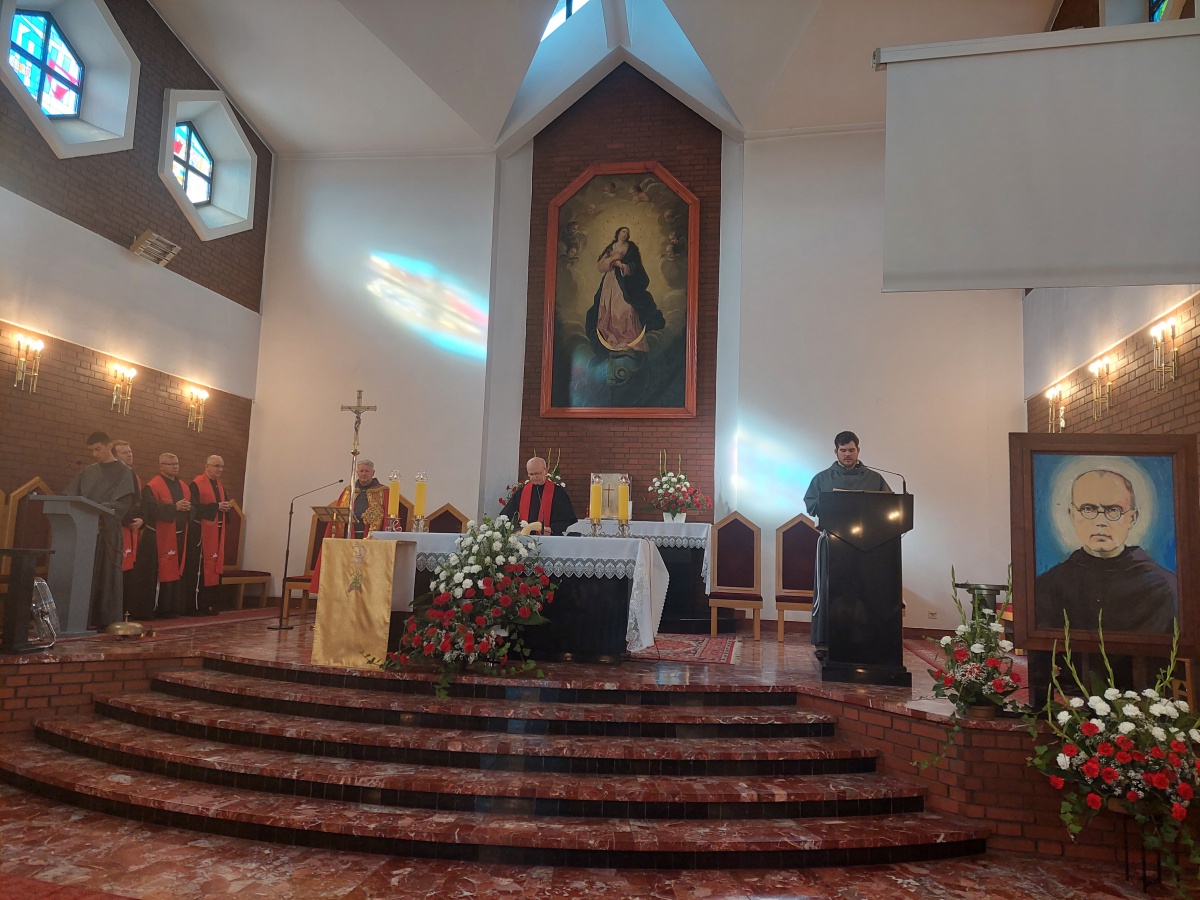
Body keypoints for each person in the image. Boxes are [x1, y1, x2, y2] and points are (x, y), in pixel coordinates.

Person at [1035, 469, 1176, 634]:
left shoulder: (1163, 587)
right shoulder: (1048, 586)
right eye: (1088, 509)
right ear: (1072, 515)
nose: (1100, 522)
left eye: (1113, 510)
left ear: (1132, 518)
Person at [803, 431, 893, 653]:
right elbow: (811, 504)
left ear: (858, 450)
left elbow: (889, 506)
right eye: (843, 450)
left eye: (851, 450)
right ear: (836, 452)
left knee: (866, 589)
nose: (847, 454)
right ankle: (826, 640)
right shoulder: (823, 478)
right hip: (833, 543)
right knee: (831, 590)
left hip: (869, 547)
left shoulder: (874, 479)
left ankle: (867, 640)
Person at [64, 431, 138, 629]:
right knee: (83, 575)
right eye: (91, 450)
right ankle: (80, 618)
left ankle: (106, 619)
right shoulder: (87, 472)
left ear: (109, 446)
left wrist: (98, 508)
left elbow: (123, 505)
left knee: (107, 577)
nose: (94, 454)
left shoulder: (124, 472)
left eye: (98, 449)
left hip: (108, 530)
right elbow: (70, 496)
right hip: (84, 532)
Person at [308, 459, 391, 594]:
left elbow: (388, 516)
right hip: (348, 538)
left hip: (372, 539)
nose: (364, 474)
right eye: (361, 471)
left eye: (367, 471)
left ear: (373, 473)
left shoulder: (383, 491)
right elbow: (338, 515)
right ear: (357, 472)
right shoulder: (349, 491)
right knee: (347, 572)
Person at [585, 226, 666, 356]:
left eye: (627, 233)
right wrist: (613, 259)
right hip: (609, 283)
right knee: (609, 310)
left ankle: (628, 338)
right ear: (618, 233)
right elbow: (601, 266)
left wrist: (621, 265)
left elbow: (636, 266)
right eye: (623, 231)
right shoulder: (611, 248)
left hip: (626, 283)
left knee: (626, 309)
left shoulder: (631, 248)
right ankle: (613, 339)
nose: (625, 234)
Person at [142, 452, 191, 619]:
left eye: (176, 464)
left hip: (178, 536)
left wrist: (189, 508)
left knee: (174, 571)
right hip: (157, 538)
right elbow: (149, 511)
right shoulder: (153, 486)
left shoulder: (184, 486)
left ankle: (170, 608)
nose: (175, 467)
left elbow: (194, 508)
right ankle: (154, 608)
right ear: (161, 467)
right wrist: (175, 508)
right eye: (171, 464)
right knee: (157, 572)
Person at [183, 455, 231, 616]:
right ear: (207, 466)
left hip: (216, 533)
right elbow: (193, 508)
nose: (220, 470)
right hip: (200, 535)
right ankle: (195, 606)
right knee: (199, 569)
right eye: (217, 466)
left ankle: (209, 604)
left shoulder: (219, 486)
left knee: (213, 568)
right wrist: (216, 506)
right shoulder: (197, 484)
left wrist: (225, 507)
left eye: (222, 467)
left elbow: (220, 507)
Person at [112, 441, 155, 620]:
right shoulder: (112, 475)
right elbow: (115, 503)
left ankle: (126, 612)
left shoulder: (133, 476)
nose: (129, 455)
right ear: (114, 455)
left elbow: (139, 503)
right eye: (124, 452)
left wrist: (142, 519)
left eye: (130, 452)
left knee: (129, 573)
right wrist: (127, 520)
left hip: (132, 530)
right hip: (116, 529)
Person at [500, 457, 577, 536]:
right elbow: (507, 516)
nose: (534, 477)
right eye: (531, 474)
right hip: (525, 538)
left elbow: (567, 519)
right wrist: (517, 529)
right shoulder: (522, 492)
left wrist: (552, 529)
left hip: (550, 538)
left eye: (537, 473)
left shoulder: (557, 492)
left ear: (546, 471)